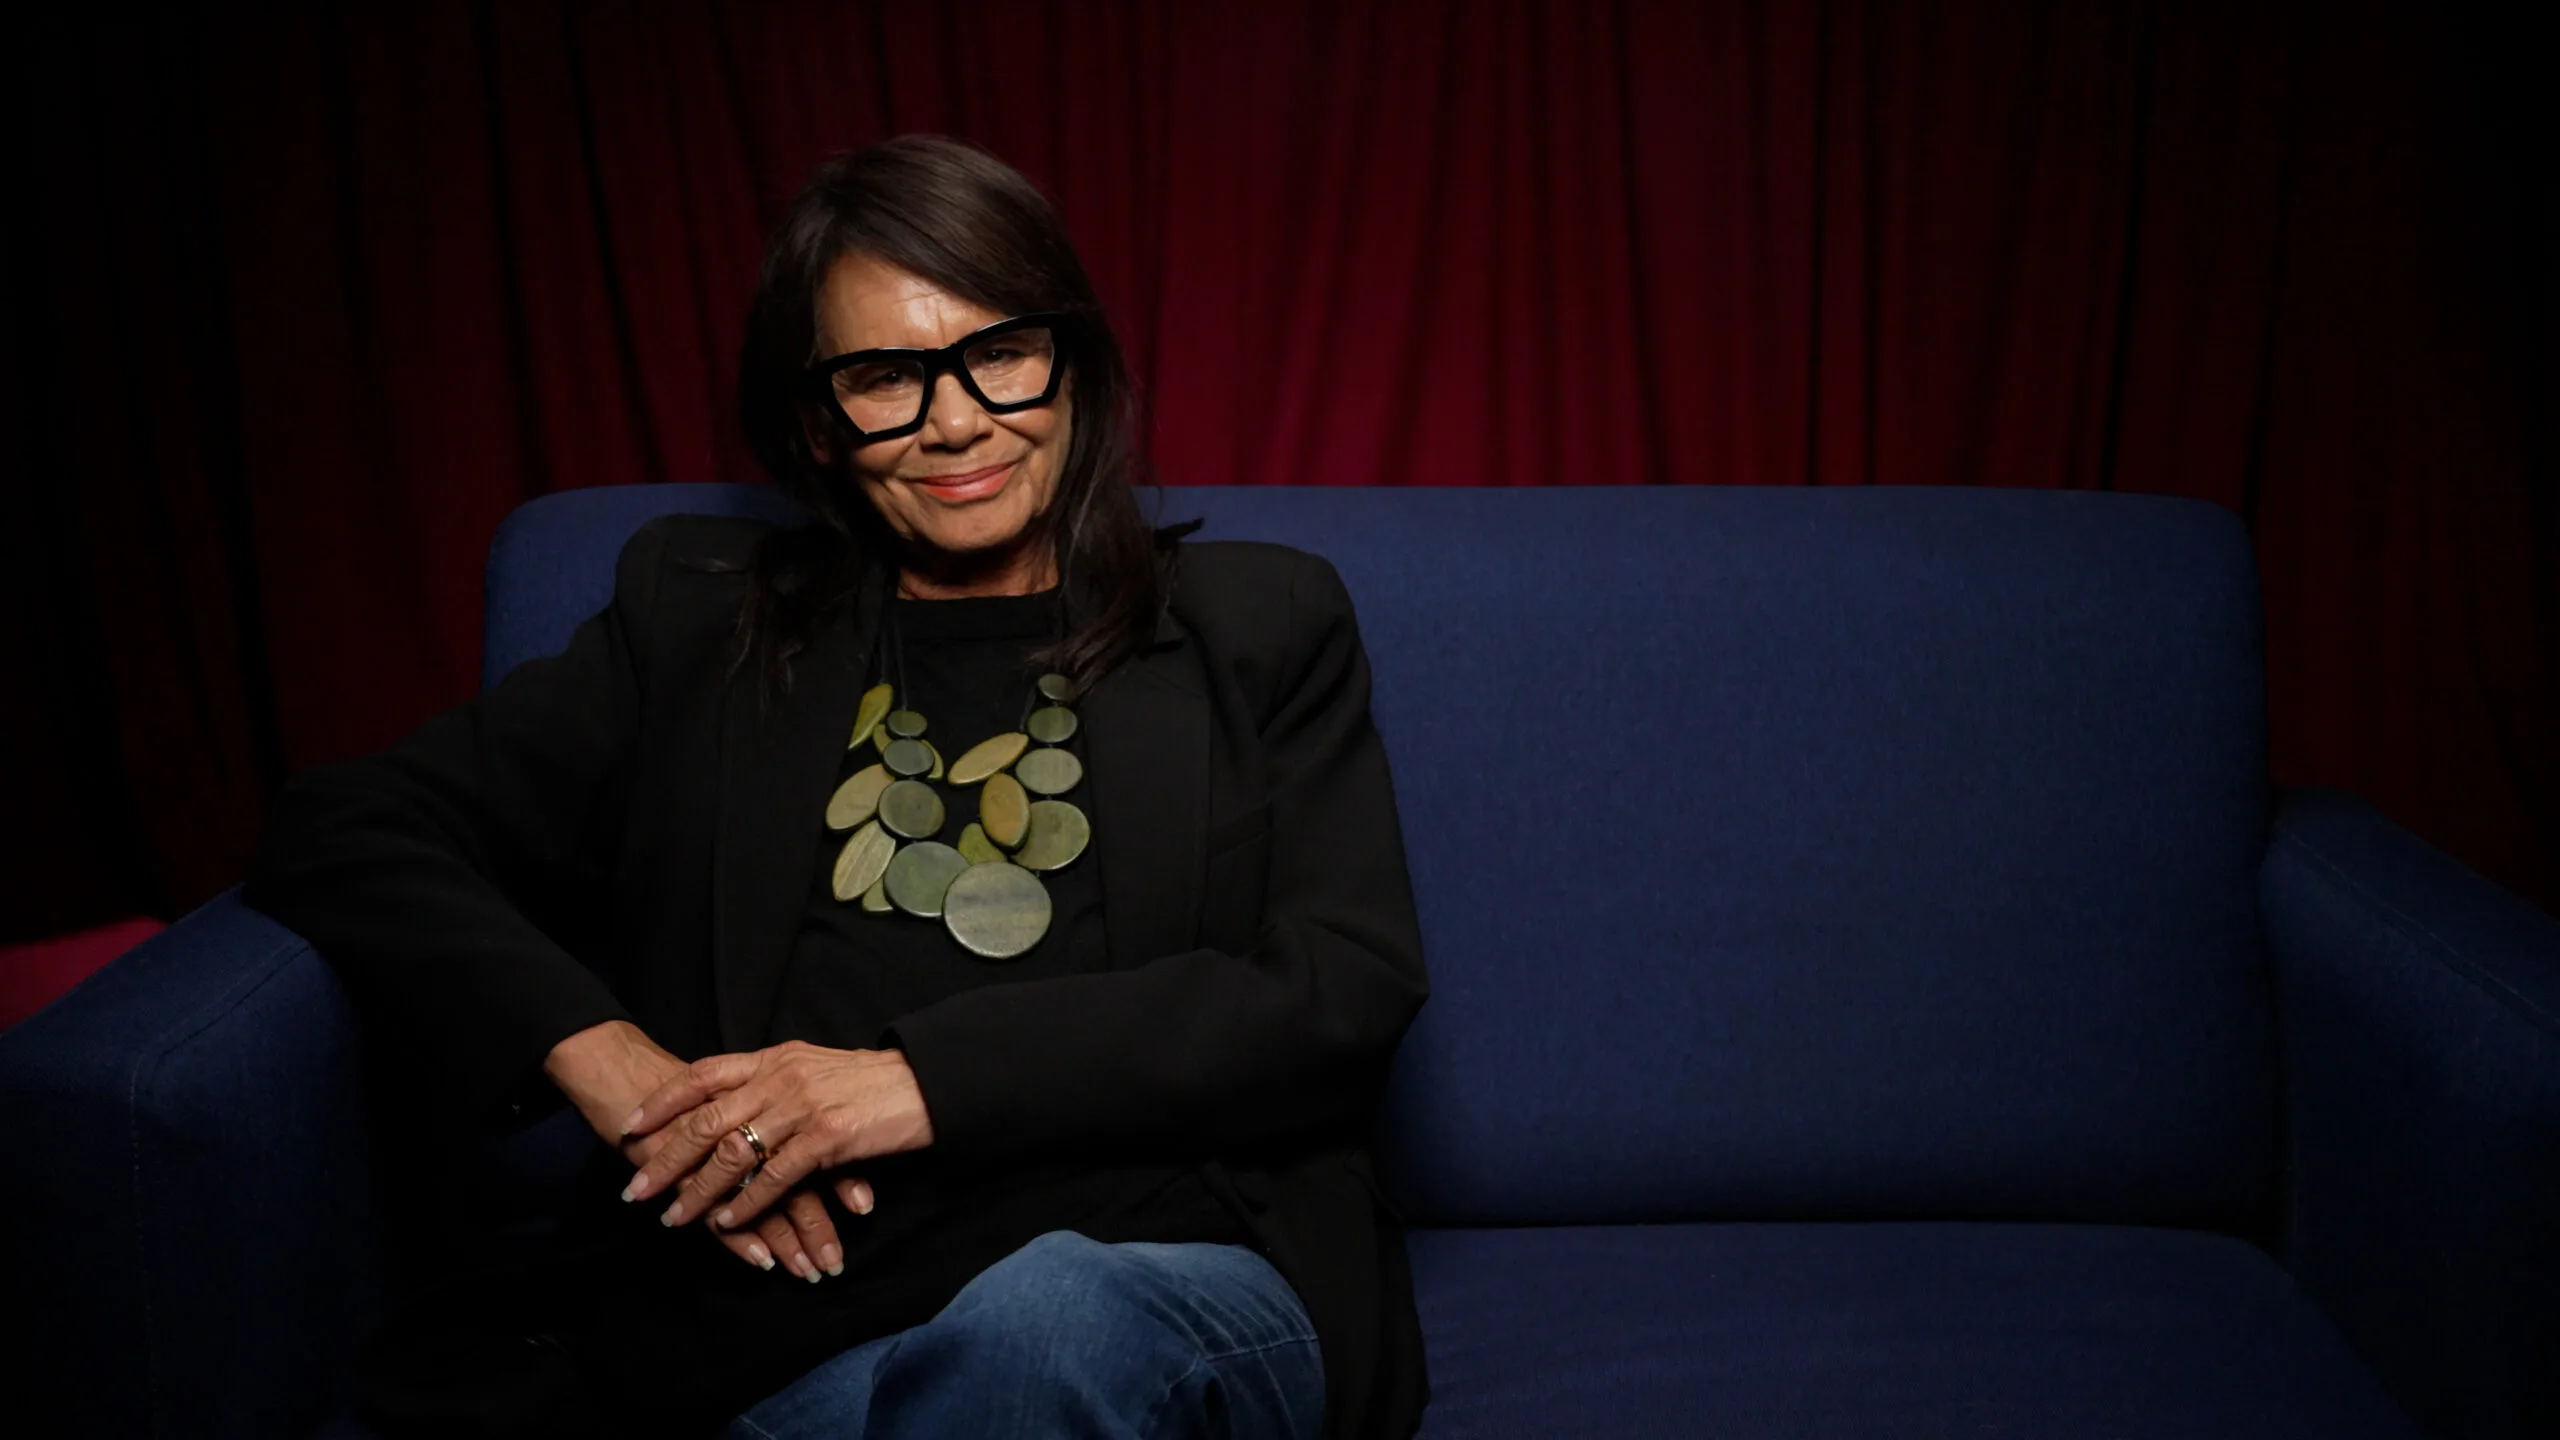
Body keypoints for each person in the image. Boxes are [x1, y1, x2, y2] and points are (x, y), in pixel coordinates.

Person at [244, 135, 1429, 1440]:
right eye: (885, 378)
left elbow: (1342, 985)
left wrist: (907, 1082)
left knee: (1041, 1326)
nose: (957, 419)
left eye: (1000, 352)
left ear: (1073, 365)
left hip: (1161, 1276)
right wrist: (622, 1075)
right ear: (820, 422)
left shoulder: (1257, 623)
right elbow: (347, 825)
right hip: (786, 1336)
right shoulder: (702, 626)